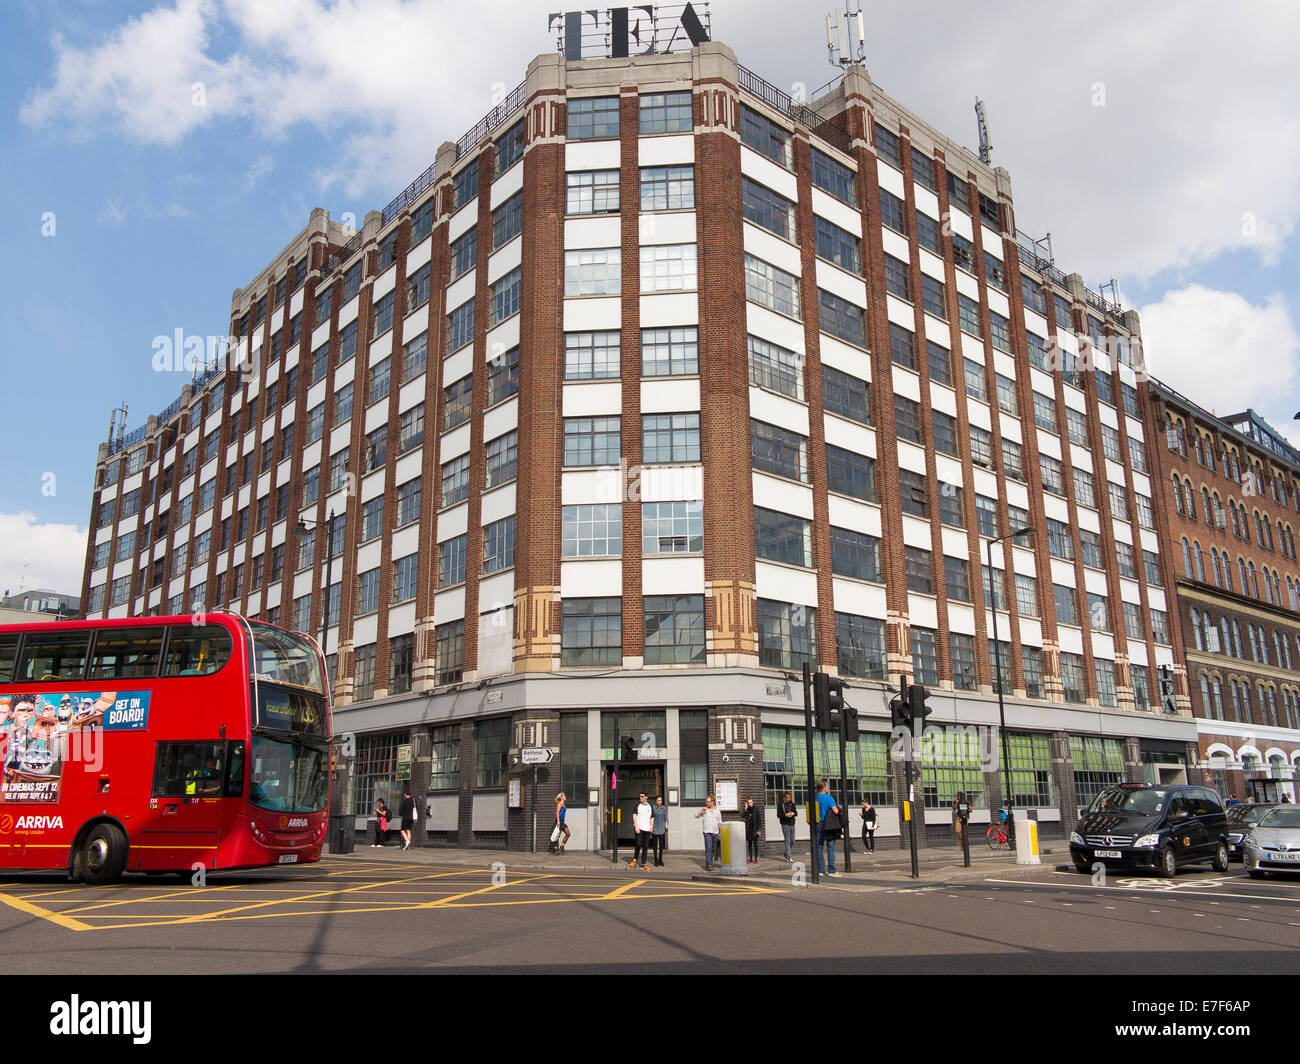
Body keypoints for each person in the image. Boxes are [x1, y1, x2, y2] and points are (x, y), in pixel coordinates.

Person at [816, 779, 841, 877]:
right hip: (829, 825)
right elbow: (835, 811)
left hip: (818, 823)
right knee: (830, 846)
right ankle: (831, 870)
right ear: (824, 786)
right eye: (827, 786)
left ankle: (821, 870)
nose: (828, 788)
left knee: (819, 845)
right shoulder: (828, 798)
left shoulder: (816, 798)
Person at [695, 794, 722, 870]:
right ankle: (709, 864)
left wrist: (720, 832)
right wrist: (701, 811)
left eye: (708, 802)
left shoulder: (717, 811)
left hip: (715, 832)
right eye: (706, 801)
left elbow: (719, 822)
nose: (707, 803)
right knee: (708, 847)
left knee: (713, 848)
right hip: (707, 832)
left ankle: (710, 861)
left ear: (712, 802)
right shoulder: (704, 810)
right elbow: (696, 816)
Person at [630, 791, 653, 870]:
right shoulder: (637, 805)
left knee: (645, 846)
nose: (641, 798)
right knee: (638, 844)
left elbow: (652, 817)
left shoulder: (650, 806)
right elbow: (634, 815)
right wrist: (636, 826)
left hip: (647, 829)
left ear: (646, 797)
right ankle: (635, 859)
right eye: (640, 796)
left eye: (642, 796)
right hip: (639, 828)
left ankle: (644, 863)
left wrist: (651, 826)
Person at [778, 791, 798, 862]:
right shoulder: (781, 805)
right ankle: (789, 857)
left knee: (792, 840)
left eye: (789, 798)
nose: (788, 799)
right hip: (785, 823)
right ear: (784, 798)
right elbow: (778, 815)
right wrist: (785, 815)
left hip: (792, 823)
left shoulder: (792, 804)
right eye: (787, 798)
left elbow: (796, 813)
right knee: (787, 840)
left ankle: (786, 853)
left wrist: (793, 813)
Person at [743, 796, 762, 864]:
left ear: (753, 802)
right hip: (748, 829)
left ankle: (756, 859)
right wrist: (745, 808)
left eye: (751, 802)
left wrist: (759, 830)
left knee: (755, 844)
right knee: (749, 844)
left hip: (755, 829)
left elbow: (759, 819)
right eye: (749, 803)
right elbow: (742, 815)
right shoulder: (747, 810)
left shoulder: (756, 809)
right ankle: (750, 859)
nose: (750, 804)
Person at [651, 795, 668, 866]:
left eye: (661, 800)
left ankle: (660, 859)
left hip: (661, 828)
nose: (659, 802)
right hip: (655, 828)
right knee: (655, 846)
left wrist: (666, 825)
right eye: (658, 800)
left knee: (661, 845)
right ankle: (655, 860)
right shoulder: (653, 808)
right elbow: (651, 817)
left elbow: (666, 817)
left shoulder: (664, 808)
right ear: (656, 801)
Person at [398, 787, 416, 851]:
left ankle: (407, 841)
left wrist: (401, 813)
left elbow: (400, 810)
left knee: (402, 830)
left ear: (405, 794)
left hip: (405, 817)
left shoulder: (403, 801)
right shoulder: (412, 800)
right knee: (409, 830)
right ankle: (407, 846)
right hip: (411, 818)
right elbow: (414, 808)